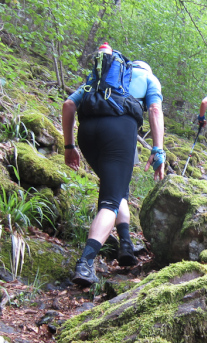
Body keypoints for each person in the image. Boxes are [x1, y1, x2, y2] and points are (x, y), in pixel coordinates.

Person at [62, 43, 165, 286]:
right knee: (110, 201)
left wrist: (69, 146)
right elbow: (154, 109)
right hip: (118, 132)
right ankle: (86, 262)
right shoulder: (149, 79)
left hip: (87, 133)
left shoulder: (101, 79)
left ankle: (125, 245)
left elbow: (68, 105)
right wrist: (158, 149)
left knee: (116, 189)